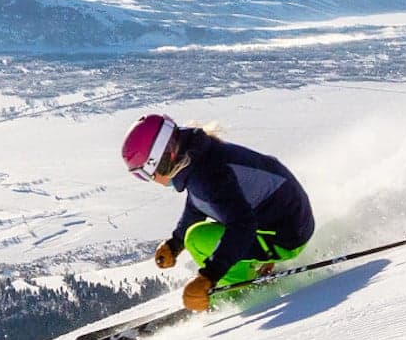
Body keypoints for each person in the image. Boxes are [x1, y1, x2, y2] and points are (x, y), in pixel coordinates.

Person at [121, 113, 316, 311]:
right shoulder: (198, 159)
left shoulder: (206, 177)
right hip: (289, 223)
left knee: (196, 239)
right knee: (196, 235)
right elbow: (199, 204)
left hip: (287, 238)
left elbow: (242, 227)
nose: (149, 180)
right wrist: (175, 244)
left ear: (159, 160)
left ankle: (236, 293)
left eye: (143, 173)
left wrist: (209, 277)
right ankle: (251, 266)